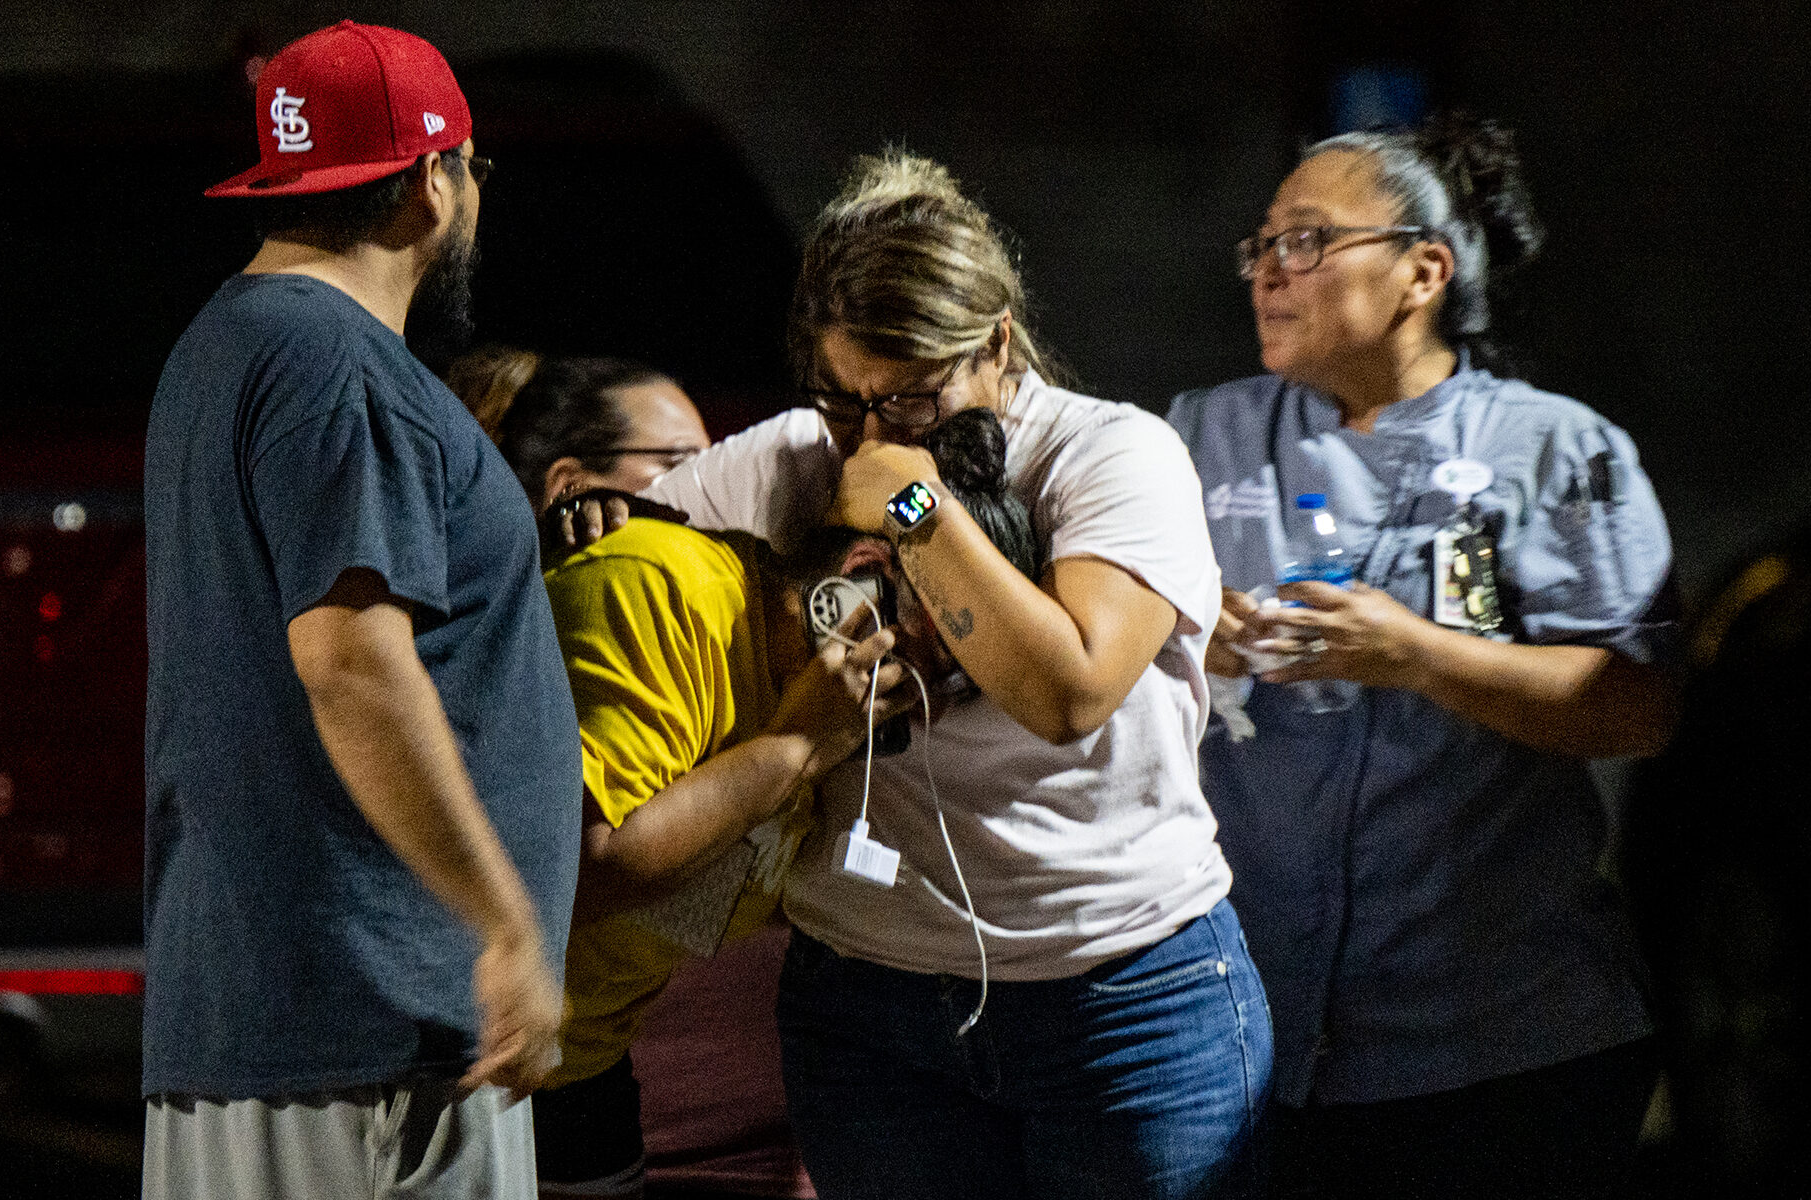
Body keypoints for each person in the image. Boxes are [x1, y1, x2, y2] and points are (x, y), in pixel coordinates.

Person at [640, 150, 1272, 1200]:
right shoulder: (794, 456)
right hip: (868, 1006)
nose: (872, 434)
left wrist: (913, 507)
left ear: (997, 348)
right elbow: (629, 576)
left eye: (912, 401)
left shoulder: (1111, 456)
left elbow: (1067, 694)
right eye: (844, 402)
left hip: (1120, 999)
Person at [1164, 113, 1679, 1200]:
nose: (1268, 271)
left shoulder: (1555, 448)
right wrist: (1177, 631)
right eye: (1260, 246)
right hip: (1243, 1033)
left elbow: (1640, 709)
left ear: (1422, 271)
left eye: (1306, 241)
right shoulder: (1200, 436)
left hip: (1497, 1043)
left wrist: (1417, 658)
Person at [141, 23, 581, 1200]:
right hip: (373, 1038)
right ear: (434, 183)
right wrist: (504, 927)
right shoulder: (339, 368)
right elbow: (352, 662)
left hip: (274, 1022)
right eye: (473, 168)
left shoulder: (226, 345)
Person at [459, 352, 1040, 1199]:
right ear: (862, 582)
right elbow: (582, 868)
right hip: (456, 1057)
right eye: (938, 665)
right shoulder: (663, 593)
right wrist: (795, 745)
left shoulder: (835, 715)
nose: (936, 709)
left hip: (578, 1071)